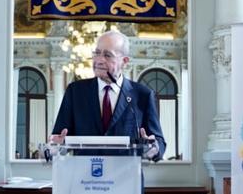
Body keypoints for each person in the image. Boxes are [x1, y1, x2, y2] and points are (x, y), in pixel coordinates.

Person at [50, 30, 165, 162]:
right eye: (97, 53)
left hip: (126, 178)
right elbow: (59, 138)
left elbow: (159, 143)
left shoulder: (142, 95)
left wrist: (153, 147)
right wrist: (55, 146)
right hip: (85, 177)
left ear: (124, 61)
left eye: (108, 55)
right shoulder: (75, 92)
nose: (99, 60)